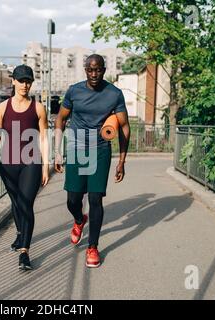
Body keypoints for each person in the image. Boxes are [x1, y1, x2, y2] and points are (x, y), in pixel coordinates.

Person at [54, 54, 130, 268]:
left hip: (100, 149)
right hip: (77, 147)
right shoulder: (74, 91)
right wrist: (58, 151)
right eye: (90, 69)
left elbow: (124, 126)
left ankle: (93, 247)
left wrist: (122, 159)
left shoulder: (114, 94)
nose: (94, 74)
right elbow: (60, 118)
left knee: (95, 198)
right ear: (85, 69)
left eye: (98, 69)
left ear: (104, 70)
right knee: (73, 200)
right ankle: (79, 220)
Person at [0, 64, 50, 271]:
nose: (25, 84)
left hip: (31, 163)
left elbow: (43, 138)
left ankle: (24, 251)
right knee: (16, 203)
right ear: (13, 81)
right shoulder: (2, 108)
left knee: (26, 205)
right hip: (8, 164)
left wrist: (45, 166)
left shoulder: (39, 108)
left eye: (28, 81)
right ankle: (19, 234)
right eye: (21, 80)